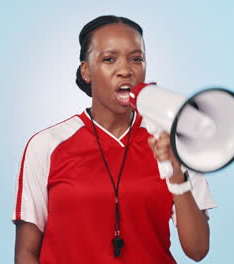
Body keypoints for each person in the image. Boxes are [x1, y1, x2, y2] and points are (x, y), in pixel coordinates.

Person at [13, 15, 217, 264]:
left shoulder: (172, 143)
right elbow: (26, 253)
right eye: (109, 59)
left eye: (136, 59)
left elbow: (197, 250)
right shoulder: (47, 145)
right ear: (86, 71)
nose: (126, 70)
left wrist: (177, 174)